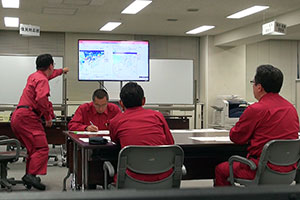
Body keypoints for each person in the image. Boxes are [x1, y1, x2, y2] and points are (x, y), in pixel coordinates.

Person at [214, 64, 299, 186]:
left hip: (260, 170)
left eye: (253, 83)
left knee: (221, 170)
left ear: (259, 87)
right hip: (289, 171)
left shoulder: (256, 109)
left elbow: (236, 137)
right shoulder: (291, 108)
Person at [11, 54, 69, 190]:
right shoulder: (42, 80)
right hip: (28, 117)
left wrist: (62, 71)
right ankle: (30, 175)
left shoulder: (34, 76)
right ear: (50, 65)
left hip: (18, 116)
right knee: (42, 148)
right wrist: (48, 116)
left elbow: (51, 74)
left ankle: (29, 176)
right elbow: (42, 99)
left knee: (33, 149)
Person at [109, 82, 175, 182]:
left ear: (121, 103)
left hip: (131, 180)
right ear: (143, 100)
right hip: (163, 178)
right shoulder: (157, 116)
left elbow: (115, 141)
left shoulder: (115, 121)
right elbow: (170, 144)